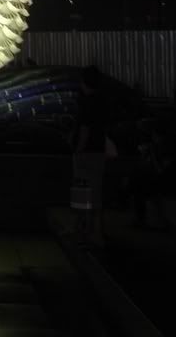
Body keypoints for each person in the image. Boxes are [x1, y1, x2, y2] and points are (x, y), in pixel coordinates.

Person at [71, 65, 109, 246]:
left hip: (86, 153)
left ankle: (83, 231)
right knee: (97, 192)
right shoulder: (103, 101)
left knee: (82, 192)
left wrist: (78, 149)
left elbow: (84, 129)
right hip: (99, 151)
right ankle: (98, 233)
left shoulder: (86, 103)